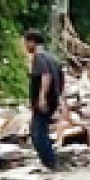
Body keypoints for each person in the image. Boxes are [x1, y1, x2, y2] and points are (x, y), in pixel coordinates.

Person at [23, 31, 64, 172]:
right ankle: (50, 161)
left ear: (32, 42)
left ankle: (50, 163)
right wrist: (58, 99)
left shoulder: (39, 58)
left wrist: (41, 98)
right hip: (52, 99)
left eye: (26, 43)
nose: (26, 46)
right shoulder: (52, 58)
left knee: (37, 134)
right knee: (40, 131)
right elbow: (60, 78)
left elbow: (46, 76)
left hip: (44, 101)